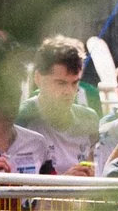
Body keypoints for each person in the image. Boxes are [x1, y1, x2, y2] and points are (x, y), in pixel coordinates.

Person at [21, 36, 101, 174]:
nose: (69, 92)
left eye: (75, 83)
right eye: (61, 83)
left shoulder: (90, 119)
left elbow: (99, 168)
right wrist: (65, 181)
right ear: (38, 79)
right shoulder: (22, 118)